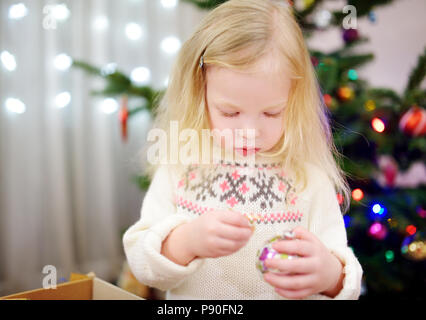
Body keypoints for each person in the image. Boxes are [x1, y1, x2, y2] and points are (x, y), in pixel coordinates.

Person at [123, 0, 363, 300]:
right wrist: (185, 242)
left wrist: (329, 275)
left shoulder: (307, 177)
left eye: (272, 113)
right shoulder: (181, 166)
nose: (250, 131)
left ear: (295, 101)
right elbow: (143, 264)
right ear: (201, 92)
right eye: (230, 112)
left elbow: (343, 280)